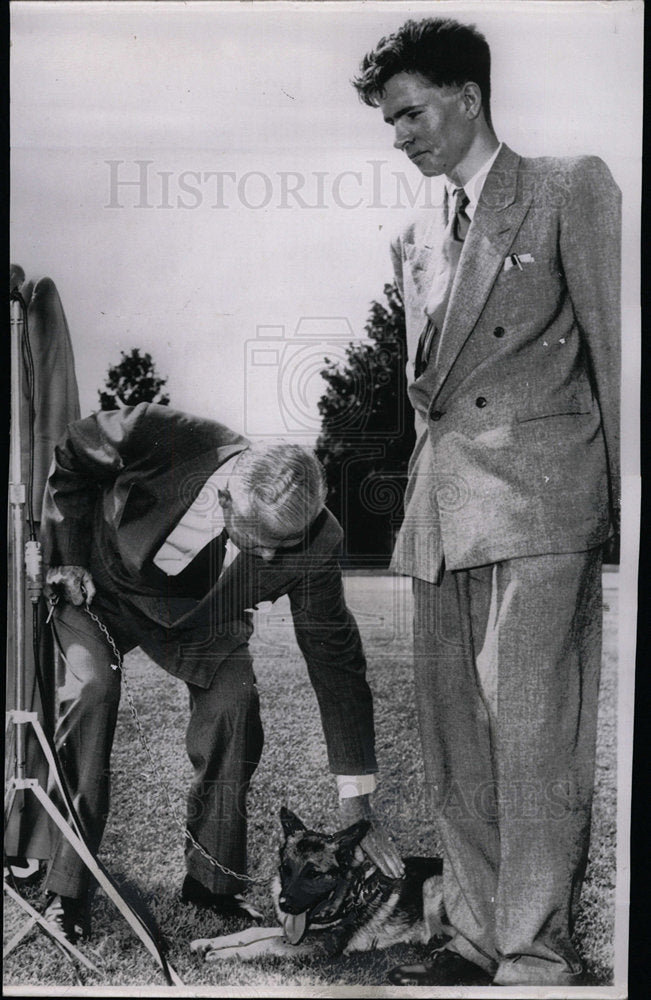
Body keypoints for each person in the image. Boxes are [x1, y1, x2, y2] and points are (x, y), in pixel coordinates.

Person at [352, 17, 620, 988]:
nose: (400, 137)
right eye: (389, 122)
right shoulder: (411, 236)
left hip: (546, 502)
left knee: (537, 731)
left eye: (411, 113)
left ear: (468, 95)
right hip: (442, 511)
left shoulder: (566, 187)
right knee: (455, 736)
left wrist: (626, 502)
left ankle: (535, 948)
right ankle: (469, 932)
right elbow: (425, 394)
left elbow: (614, 350)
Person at [39, 401, 404, 943]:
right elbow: (73, 451)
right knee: (91, 689)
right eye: (257, 540)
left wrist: (357, 799)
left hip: (199, 620)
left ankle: (211, 883)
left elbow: (337, 664)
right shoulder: (161, 433)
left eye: (282, 548)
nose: (268, 557)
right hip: (102, 588)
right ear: (228, 494)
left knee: (235, 704)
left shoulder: (318, 540)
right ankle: (66, 889)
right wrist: (66, 555)